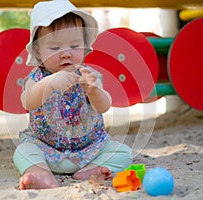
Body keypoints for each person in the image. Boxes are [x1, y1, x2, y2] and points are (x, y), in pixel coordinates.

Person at [13, 0, 132, 190]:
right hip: (46, 149)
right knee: (24, 151)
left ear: (85, 46)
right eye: (54, 48)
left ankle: (92, 169)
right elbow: (28, 101)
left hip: (90, 150)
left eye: (74, 45)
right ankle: (41, 172)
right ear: (37, 50)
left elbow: (104, 106)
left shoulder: (89, 76)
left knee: (122, 151)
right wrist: (49, 83)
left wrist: (94, 91)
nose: (66, 54)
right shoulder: (37, 77)